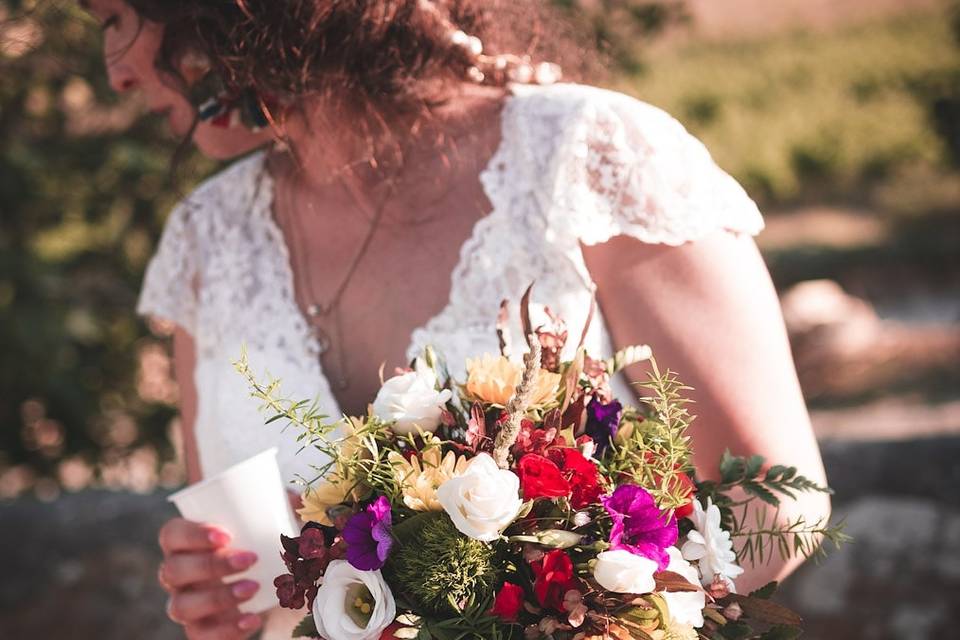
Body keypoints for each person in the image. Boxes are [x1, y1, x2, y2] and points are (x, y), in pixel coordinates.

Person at [79, 0, 831, 638]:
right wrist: (217, 592)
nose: (113, 71)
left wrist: (594, 609)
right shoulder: (205, 240)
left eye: (117, 18)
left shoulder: (587, 153)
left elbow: (779, 496)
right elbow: (247, 560)